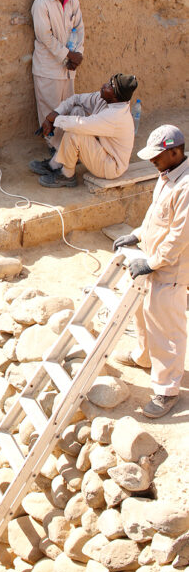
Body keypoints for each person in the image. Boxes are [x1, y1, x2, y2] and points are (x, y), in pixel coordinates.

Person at [113, 125, 189, 419]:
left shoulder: (186, 187)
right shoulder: (166, 176)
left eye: (157, 156)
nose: (152, 161)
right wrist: (137, 235)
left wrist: (153, 262)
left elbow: (180, 236)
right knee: (142, 311)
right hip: (154, 257)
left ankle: (167, 390)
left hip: (172, 268)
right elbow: (155, 215)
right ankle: (144, 357)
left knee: (166, 328)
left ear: (174, 151)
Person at [29, 73, 138, 188]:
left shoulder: (115, 116)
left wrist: (54, 119)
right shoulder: (108, 100)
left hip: (111, 166)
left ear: (115, 96)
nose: (104, 85)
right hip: (102, 150)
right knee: (77, 110)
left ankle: (67, 175)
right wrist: (55, 114)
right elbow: (76, 99)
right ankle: (55, 164)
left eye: (109, 86)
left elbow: (79, 125)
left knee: (75, 132)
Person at [31, 0, 85, 138]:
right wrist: (68, 55)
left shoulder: (73, 0)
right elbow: (45, 36)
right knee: (50, 108)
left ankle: (67, 147)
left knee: (67, 108)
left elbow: (79, 28)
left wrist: (78, 55)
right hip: (49, 68)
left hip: (68, 68)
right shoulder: (41, 4)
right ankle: (53, 148)